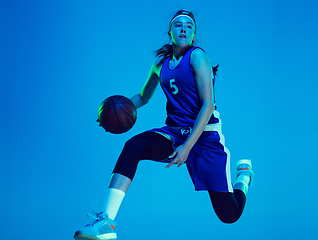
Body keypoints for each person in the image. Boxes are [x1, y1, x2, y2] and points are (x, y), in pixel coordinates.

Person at [74, 10, 254, 240]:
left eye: (189, 26)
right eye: (178, 25)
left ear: (193, 34)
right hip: (175, 132)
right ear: (170, 32)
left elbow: (207, 105)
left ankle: (245, 177)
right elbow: (142, 97)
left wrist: (188, 147)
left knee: (229, 215)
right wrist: (110, 112)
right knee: (133, 146)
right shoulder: (161, 65)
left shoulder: (198, 57)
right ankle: (106, 223)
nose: (183, 29)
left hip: (205, 137)